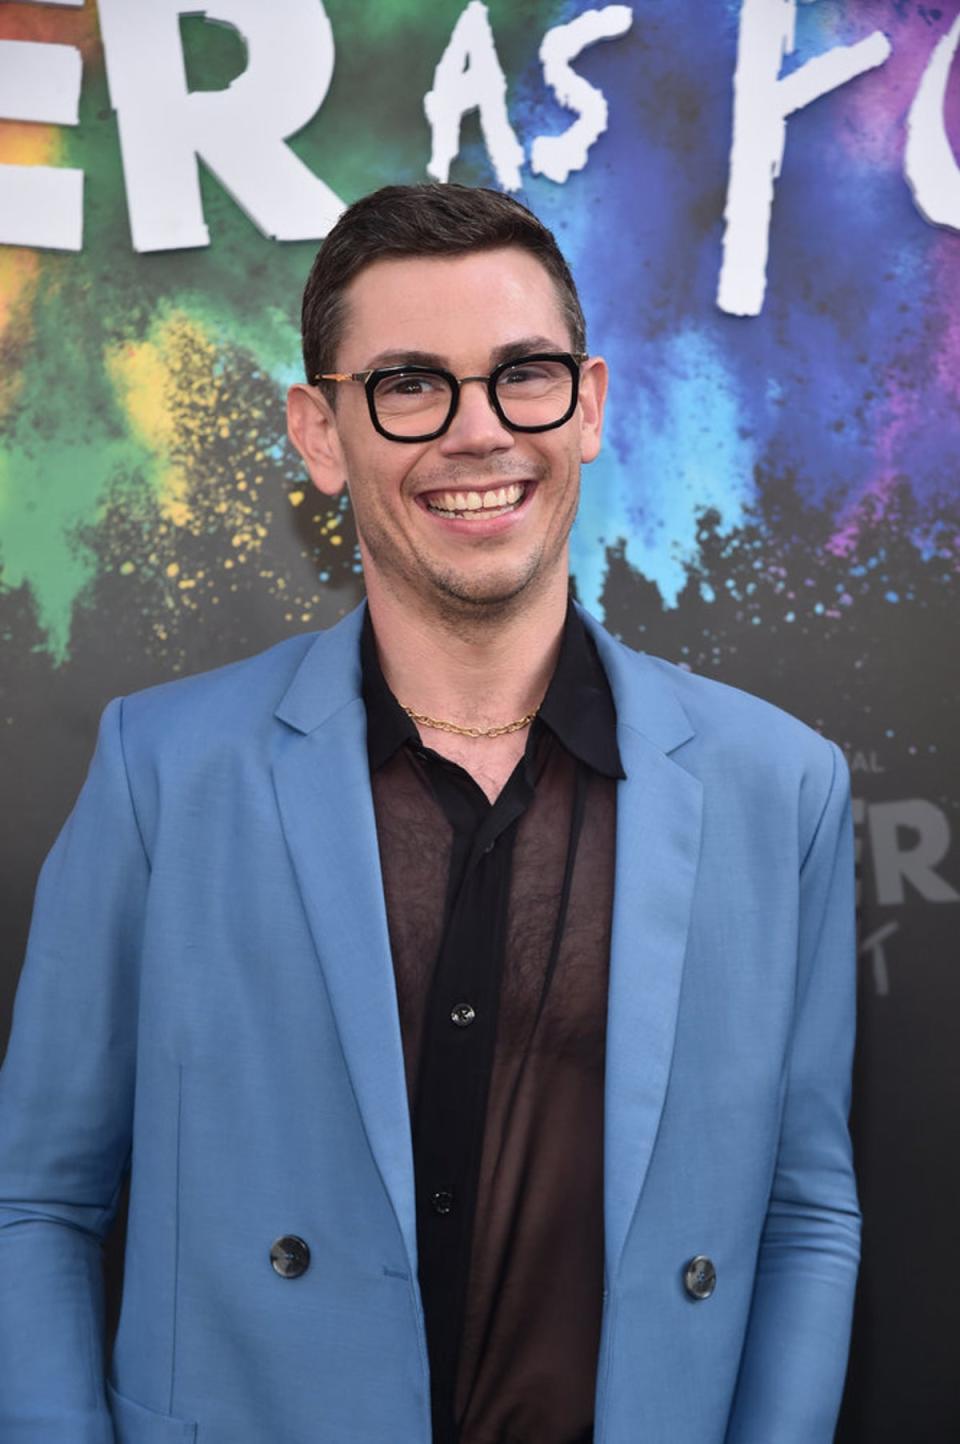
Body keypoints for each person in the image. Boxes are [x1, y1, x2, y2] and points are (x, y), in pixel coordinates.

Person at [0, 183, 860, 1444]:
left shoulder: (780, 786)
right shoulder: (164, 771)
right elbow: (37, 1199)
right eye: (410, 384)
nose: (478, 434)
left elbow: (803, 1215)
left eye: (524, 376)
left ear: (593, 405)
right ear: (318, 431)